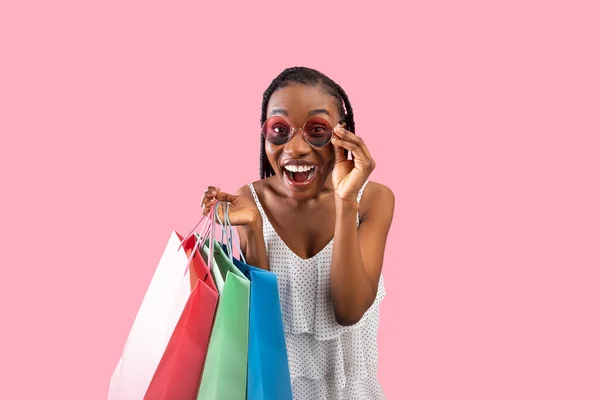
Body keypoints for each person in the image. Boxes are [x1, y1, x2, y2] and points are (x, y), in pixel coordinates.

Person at [201, 66, 395, 399]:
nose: (296, 148)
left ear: (342, 134)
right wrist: (253, 229)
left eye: (316, 130)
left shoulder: (373, 199)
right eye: (279, 129)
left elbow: (349, 311)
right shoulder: (251, 199)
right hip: (277, 389)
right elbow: (262, 324)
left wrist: (345, 200)